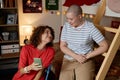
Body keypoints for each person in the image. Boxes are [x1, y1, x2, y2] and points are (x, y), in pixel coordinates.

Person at [59, 4, 108, 80]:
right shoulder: (66, 26)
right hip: (68, 60)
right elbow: (62, 46)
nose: (69, 21)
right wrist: (75, 56)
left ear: (80, 16)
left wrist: (87, 56)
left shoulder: (90, 28)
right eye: (67, 19)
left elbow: (104, 46)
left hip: (85, 61)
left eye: (71, 19)